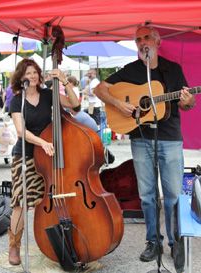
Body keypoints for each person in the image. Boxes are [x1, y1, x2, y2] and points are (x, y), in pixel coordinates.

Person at [94, 26, 195, 262]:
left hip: (169, 139)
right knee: (147, 195)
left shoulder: (173, 70)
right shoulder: (130, 71)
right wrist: (118, 104)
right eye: (138, 39)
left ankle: (175, 242)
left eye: (146, 37)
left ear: (157, 41)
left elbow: (186, 105)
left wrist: (188, 101)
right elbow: (100, 89)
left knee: (172, 195)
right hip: (140, 140)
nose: (142, 42)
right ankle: (153, 242)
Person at [8, 58, 80, 266]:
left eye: (34, 73)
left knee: (49, 201)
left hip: (48, 157)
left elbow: (75, 105)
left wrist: (65, 81)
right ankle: (14, 246)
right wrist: (42, 143)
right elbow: (21, 131)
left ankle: (57, 243)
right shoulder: (17, 100)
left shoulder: (49, 95)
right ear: (20, 78)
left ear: (39, 76)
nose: (31, 76)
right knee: (20, 203)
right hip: (26, 155)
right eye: (27, 73)